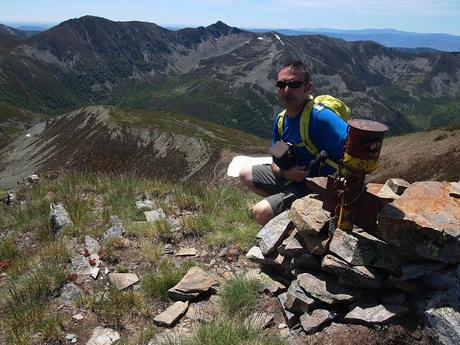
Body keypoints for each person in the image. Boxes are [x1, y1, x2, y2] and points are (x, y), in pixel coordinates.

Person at [239, 61, 349, 226]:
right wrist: (287, 173)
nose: (287, 90)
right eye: (281, 84)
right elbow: (275, 161)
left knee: (261, 213)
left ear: (307, 87)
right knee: (245, 173)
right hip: (293, 180)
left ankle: (296, 219)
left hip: (318, 188)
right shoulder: (281, 120)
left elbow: (356, 144)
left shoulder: (320, 117)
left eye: (294, 84)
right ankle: (285, 204)